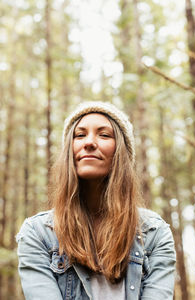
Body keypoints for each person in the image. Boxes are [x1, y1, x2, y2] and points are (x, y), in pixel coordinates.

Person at [16, 101, 176, 300]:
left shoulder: (155, 233)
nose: (89, 142)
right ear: (69, 152)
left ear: (121, 154)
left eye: (104, 135)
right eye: (80, 135)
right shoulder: (37, 234)